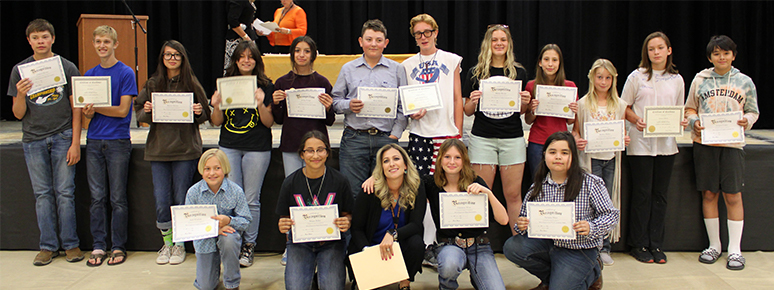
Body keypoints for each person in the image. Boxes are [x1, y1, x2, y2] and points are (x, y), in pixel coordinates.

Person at [8, 18, 84, 266]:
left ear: (52, 39)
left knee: (65, 193)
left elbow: (76, 108)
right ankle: (48, 246)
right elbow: (18, 114)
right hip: (33, 140)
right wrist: (20, 93)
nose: (41, 42)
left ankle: (71, 244)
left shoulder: (67, 67)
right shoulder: (20, 70)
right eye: (35, 38)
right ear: (29, 41)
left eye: (45, 37)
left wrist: (75, 142)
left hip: (63, 137)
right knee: (42, 194)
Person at [503, 131, 619, 290]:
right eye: (552, 152)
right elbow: (523, 220)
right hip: (549, 245)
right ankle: (554, 278)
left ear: (573, 156)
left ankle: (593, 272)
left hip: (579, 249)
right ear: (544, 156)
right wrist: (522, 225)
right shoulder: (537, 187)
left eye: (564, 153)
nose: (558, 157)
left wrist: (591, 227)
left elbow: (611, 215)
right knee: (513, 247)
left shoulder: (591, 183)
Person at [685, 35, 759, 271]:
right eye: (716, 53)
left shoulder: (744, 81)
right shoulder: (700, 80)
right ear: (710, 57)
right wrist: (694, 121)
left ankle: (735, 250)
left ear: (733, 56)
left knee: (733, 195)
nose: (721, 57)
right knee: (709, 194)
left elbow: (753, 111)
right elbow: (689, 109)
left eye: (725, 53)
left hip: (732, 145)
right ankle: (714, 245)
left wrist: (745, 120)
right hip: (705, 144)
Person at [134, 40, 212, 265]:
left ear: (183, 58)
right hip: (158, 150)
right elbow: (139, 110)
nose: (172, 59)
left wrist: (199, 111)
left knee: (181, 198)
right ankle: (167, 243)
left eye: (176, 55)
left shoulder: (191, 82)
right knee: (161, 199)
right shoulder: (152, 83)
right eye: (168, 55)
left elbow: (206, 112)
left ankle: (180, 244)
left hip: (185, 150)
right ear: (162, 58)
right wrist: (147, 111)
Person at [621, 32, 687, 264]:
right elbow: (624, 106)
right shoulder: (636, 77)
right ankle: (638, 243)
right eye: (651, 49)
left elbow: (680, 110)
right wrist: (634, 119)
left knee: (660, 195)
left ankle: (656, 245)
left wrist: (682, 121)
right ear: (646, 53)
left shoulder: (677, 80)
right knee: (642, 194)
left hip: (667, 145)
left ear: (669, 50)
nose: (656, 52)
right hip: (640, 145)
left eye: (660, 48)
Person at [210, 40, 274, 268]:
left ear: (256, 61)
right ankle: (232, 242)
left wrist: (260, 104)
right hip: (229, 146)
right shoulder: (225, 84)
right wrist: (215, 105)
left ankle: (249, 245)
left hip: (257, 147)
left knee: (251, 199)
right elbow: (216, 121)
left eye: (251, 57)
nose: (246, 60)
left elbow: (268, 123)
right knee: (232, 198)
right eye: (242, 56)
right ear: (236, 60)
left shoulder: (266, 85)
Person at [462, 24, 531, 235]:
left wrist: (526, 102)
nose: (499, 43)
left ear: (508, 44)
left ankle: (518, 245)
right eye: (494, 40)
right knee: (480, 193)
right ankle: (476, 243)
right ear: (488, 44)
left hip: (512, 138)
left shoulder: (519, 72)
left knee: (513, 195)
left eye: (503, 39)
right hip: (482, 138)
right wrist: (473, 101)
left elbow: (519, 111)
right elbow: (467, 111)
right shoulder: (476, 73)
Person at [331, 19, 408, 200]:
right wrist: (348, 105)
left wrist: (394, 135)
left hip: (385, 138)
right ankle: (356, 229)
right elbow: (335, 102)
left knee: (386, 193)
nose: (374, 44)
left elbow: (403, 107)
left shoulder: (397, 69)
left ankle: (384, 229)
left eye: (379, 40)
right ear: (360, 41)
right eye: (369, 39)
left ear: (386, 43)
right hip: (354, 139)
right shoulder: (348, 69)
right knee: (353, 194)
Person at [81, 25, 138, 267]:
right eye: (98, 42)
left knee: (117, 198)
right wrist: (88, 113)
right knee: (96, 198)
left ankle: (118, 246)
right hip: (93, 141)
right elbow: (86, 118)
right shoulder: (89, 75)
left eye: (107, 41)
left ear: (115, 44)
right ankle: (98, 245)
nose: (102, 45)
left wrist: (96, 108)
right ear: (93, 44)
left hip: (117, 142)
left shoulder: (125, 73)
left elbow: (123, 110)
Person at [424, 139, 509, 289]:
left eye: (457, 157)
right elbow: (402, 181)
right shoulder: (431, 183)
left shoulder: (475, 182)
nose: (452, 162)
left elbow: (503, 220)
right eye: (447, 157)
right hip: (449, 245)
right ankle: (446, 286)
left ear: (464, 160)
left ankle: (478, 277)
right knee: (450, 264)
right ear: (440, 159)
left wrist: (488, 193)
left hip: (479, 246)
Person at [275, 131, 354, 290]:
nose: (315, 155)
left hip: (331, 243)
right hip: (300, 244)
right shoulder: (290, 182)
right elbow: (284, 217)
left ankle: (317, 279)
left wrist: (347, 222)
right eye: (309, 150)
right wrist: (283, 225)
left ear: (327, 152)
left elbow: (348, 214)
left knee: (331, 287)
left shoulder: (340, 180)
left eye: (320, 149)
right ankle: (310, 279)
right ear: (302, 155)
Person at [571, 59, 630, 266]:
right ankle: (591, 246)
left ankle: (605, 246)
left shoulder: (620, 105)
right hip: (590, 159)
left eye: (608, 78)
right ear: (592, 78)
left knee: (607, 203)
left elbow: (622, 131)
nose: (603, 81)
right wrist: (577, 139)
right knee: (590, 203)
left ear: (613, 79)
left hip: (611, 159)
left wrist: (624, 138)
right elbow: (576, 130)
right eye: (599, 77)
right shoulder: (583, 104)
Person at [350, 143, 427, 290]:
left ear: (405, 165)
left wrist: (393, 234)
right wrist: (367, 251)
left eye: (396, 159)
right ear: (381, 168)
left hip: (398, 246)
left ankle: (405, 281)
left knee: (416, 243)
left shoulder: (417, 186)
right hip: (371, 247)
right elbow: (357, 229)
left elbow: (416, 225)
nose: (391, 164)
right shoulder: (370, 190)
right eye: (386, 161)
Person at [402, 13, 463, 176]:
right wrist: (411, 113)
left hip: (446, 131)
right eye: (418, 33)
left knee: (445, 181)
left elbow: (458, 98)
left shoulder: (451, 60)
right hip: (419, 133)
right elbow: (404, 101)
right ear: (414, 37)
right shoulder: (406, 65)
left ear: (435, 33)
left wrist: (459, 132)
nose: (423, 37)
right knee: (420, 184)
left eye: (427, 32)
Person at [185, 149, 251, 290]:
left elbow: (246, 220)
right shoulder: (193, 193)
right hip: (204, 238)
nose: (212, 173)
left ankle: (232, 283)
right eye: (207, 169)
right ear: (201, 170)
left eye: (217, 168)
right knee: (206, 286)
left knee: (229, 240)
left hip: (227, 234)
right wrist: (214, 228)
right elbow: (188, 224)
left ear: (225, 168)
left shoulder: (235, 191)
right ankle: (208, 277)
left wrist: (229, 220)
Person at [273, 36, 335, 177]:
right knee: (293, 186)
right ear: (292, 54)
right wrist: (276, 103)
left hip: (316, 146)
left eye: (306, 51)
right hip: (291, 143)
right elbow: (278, 120)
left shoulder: (322, 82)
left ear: (313, 54)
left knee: (316, 185)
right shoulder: (282, 82)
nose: (302, 55)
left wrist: (328, 108)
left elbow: (330, 121)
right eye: (297, 51)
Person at [524, 44, 578, 180]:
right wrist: (533, 110)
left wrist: (574, 112)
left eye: (554, 60)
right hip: (538, 142)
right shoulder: (532, 86)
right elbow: (528, 120)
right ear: (540, 63)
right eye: (546, 59)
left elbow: (570, 121)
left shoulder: (569, 87)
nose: (550, 64)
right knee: (538, 182)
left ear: (560, 63)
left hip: (562, 142)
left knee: (561, 181)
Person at [224, 0, 259, 75]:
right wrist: (246, 37)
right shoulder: (239, 1)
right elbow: (232, 21)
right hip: (237, 41)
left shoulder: (249, 2)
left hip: (247, 39)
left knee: (250, 65)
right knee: (235, 65)